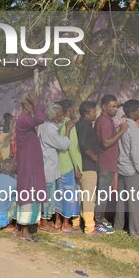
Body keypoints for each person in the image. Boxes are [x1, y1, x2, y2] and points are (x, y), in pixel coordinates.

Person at [14, 91, 46, 241]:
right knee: (27, 194)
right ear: (26, 106)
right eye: (32, 105)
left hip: (30, 163)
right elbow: (41, 118)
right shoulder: (24, 119)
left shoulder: (25, 119)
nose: (34, 107)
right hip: (28, 164)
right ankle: (24, 230)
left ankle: (21, 229)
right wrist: (37, 102)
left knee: (29, 193)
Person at [94, 94, 128, 234]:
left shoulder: (108, 120)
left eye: (116, 106)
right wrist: (122, 131)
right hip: (105, 164)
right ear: (104, 107)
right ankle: (98, 223)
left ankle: (100, 220)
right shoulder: (104, 122)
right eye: (112, 106)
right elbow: (106, 142)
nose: (115, 109)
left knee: (105, 194)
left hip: (109, 163)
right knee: (102, 194)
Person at [114, 100, 139, 237]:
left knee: (121, 199)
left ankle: (118, 226)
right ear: (132, 112)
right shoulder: (133, 128)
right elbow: (135, 152)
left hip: (123, 166)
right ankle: (135, 230)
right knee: (135, 201)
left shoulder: (122, 125)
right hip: (133, 169)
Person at [37, 103, 70, 233]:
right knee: (47, 197)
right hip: (48, 168)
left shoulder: (46, 126)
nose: (62, 115)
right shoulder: (49, 129)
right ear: (55, 115)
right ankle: (44, 222)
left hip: (48, 166)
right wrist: (67, 131)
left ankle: (45, 220)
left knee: (48, 196)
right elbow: (63, 145)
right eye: (60, 113)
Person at [76, 101, 102, 236]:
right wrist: (93, 156)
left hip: (80, 166)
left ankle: (76, 223)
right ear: (86, 114)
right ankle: (90, 227)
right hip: (88, 166)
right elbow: (83, 143)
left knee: (80, 196)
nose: (96, 114)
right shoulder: (85, 126)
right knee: (89, 198)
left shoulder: (78, 124)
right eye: (93, 112)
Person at [56, 100, 82, 233]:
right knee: (69, 195)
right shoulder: (69, 125)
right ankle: (66, 224)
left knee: (58, 194)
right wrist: (77, 167)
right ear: (69, 110)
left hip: (57, 165)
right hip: (68, 165)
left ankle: (57, 221)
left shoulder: (56, 124)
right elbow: (72, 148)